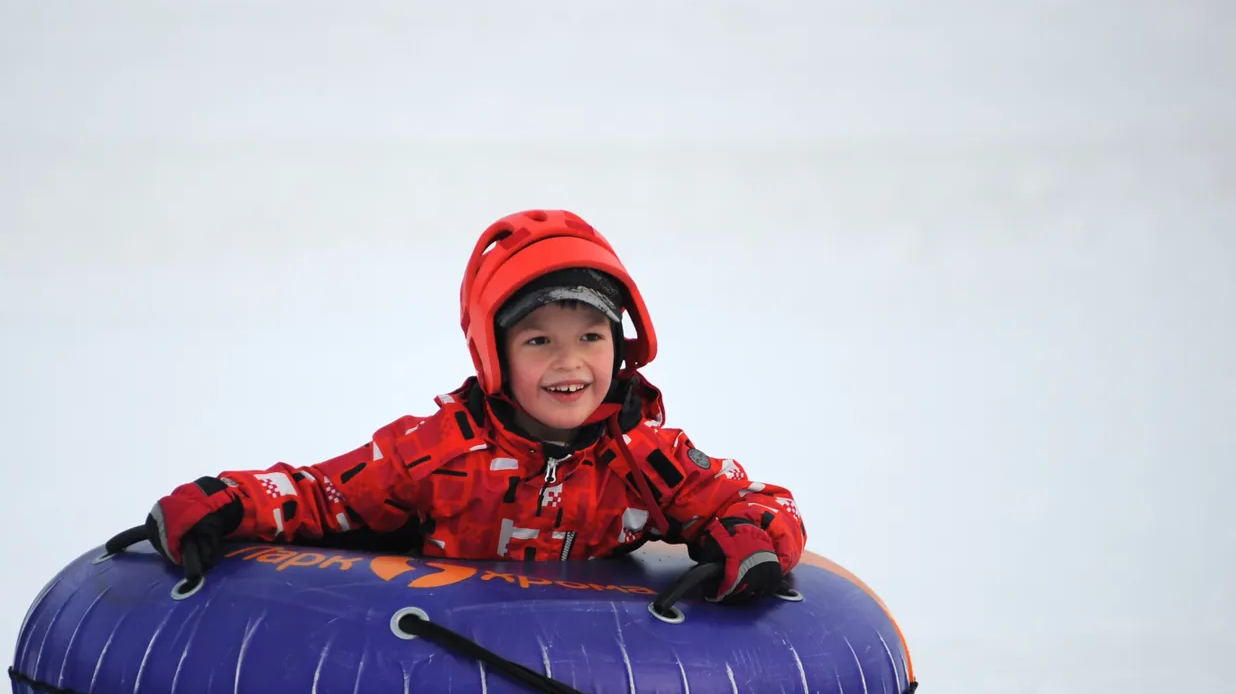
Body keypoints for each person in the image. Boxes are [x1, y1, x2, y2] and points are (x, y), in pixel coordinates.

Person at [143, 209, 805, 601]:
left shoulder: (647, 458)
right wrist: (229, 500)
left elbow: (756, 501)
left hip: (599, 676)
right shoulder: (438, 452)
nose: (570, 363)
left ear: (621, 343)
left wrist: (751, 539)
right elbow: (327, 495)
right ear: (494, 355)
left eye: (591, 337)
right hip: (445, 666)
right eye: (539, 341)